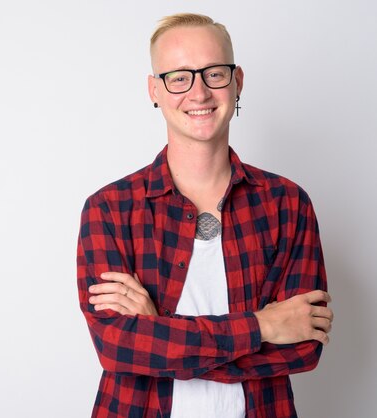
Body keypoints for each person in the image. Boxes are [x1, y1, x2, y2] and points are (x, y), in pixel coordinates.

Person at [76, 13, 333, 418]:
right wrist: (263, 326)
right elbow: (118, 347)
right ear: (154, 90)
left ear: (237, 82)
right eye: (179, 77)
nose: (198, 93)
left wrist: (159, 330)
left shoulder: (287, 203)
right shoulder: (110, 208)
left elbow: (302, 349)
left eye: (214, 73)